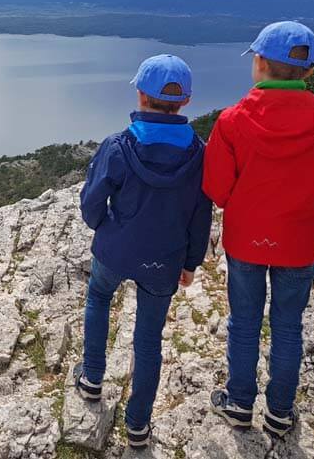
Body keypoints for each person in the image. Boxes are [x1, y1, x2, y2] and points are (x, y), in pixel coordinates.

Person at [203, 21, 314, 438]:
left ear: (258, 63)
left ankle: (238, 403)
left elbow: (217, 189)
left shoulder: (232, 120)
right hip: (299, 242)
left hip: (246, 242)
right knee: (288, 326)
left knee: (244, 323)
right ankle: (280, 412)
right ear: (308, 72)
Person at [76, 54, 213, 448]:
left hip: (116, 251)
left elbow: (91, 201)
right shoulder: (199, 154)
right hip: (164, 260)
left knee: (99, 297)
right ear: (185, 102)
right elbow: (200, 214)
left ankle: (92, 379)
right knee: (148, 339)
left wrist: (102, 228)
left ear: (140, 94)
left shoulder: (118, 146)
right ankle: (138, 424)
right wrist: (190, 262)